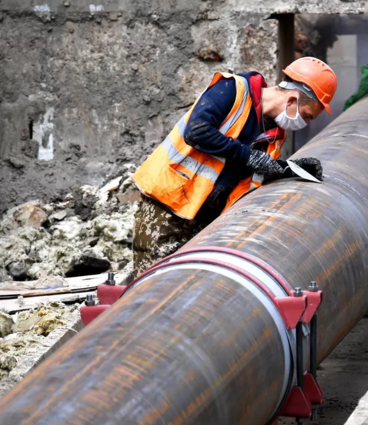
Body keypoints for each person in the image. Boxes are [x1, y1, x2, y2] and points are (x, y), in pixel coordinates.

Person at [131, 57, 337, 275]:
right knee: (149, 290)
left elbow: (255, 171)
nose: (304, 122)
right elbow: (198, 132)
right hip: (166, 212)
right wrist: (249, 156)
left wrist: (290, 169)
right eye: (306, 115)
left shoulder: (273, 133)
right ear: (292, 99)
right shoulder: (232, 90)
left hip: (206, 225)